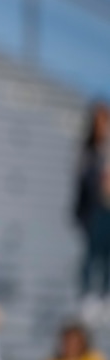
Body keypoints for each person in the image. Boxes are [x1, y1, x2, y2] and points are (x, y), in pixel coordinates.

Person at [73, 99, 110, 324]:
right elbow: (82, 179)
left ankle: (106, 296)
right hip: (95, 209)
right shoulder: (88, 149)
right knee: (91, 254)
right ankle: (87, 296)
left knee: (107, 256)